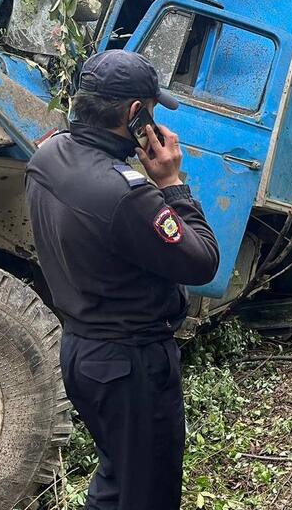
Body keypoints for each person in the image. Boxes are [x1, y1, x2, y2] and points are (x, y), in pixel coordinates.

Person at [25, 49, 220, 510]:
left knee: (119, 480)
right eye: (150, 109)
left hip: (82, 353)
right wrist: (171, 182)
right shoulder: (126, 195)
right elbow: (202, 261)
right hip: (130, 366)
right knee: (147, 493)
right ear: (136, 114)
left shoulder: (48, 153)